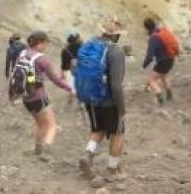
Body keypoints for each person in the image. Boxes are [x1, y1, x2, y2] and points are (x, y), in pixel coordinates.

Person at [75, 19, 128, 180]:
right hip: (109, 100)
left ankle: (88, 154)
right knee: (118, 132)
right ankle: (112, 171)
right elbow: (116, 85)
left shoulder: (88, 45)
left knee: (97, 130)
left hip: (90, 98)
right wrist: (122, 109)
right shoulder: (116, 51)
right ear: (117, 35)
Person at [8, 31, 73, 159]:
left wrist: (11, 94)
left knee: (40, 124)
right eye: (47, 43)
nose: (47, 45)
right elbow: (56, 80)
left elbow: (14, 74)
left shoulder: (22, 54)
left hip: (26, 97)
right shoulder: (42, 59)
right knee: (51, 125)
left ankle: (38, 149)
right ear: (42, 42)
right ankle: (46, 151)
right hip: (39, 97)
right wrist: (71, 88)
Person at [142, 17, 179, 106]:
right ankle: (170, 96)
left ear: (146, 28)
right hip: (171, 59)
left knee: (151, 80)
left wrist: (144, 65)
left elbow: (150, 56)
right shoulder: (162, 31)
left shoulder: (153, 38)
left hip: (163, 61)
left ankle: (160, 99)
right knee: (163, 76)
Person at [61, 32, 81, 106]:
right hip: (80, 70)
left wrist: (62, 73)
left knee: (71, 88)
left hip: (68, 71)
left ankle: (69, 103)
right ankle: (79, 103)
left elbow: (63, 64)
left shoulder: (65, 50)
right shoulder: (82, 48)